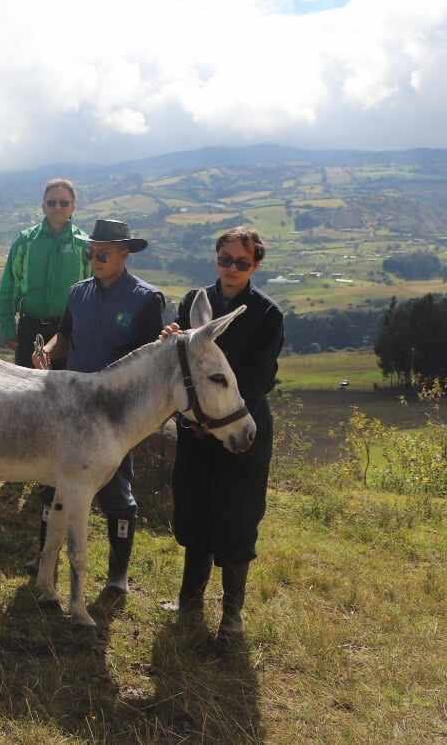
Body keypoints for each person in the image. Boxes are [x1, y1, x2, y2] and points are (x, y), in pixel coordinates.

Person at [32, 218, 165, 605]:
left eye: (104, 251)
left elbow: (148, 361)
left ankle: (118, 578)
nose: (96, 256)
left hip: (114, 415)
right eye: (92, 250)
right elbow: (65, 337)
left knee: (115, 491)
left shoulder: (146, 299)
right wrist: (48, 351)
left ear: (125, 254)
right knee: (51, 483)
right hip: (70, 405)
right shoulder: (78, 293)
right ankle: (45, 563)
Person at [163, 226, 284, 639]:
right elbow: (181, 362)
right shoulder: (194, 302)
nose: (232, 269)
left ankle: (232, 615)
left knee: (237, 517)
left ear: (256, 265)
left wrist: (218, 406)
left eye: (242, 263)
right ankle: (189, 604)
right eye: (225, 260)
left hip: (239, 430)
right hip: (198, 431)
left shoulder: (268, 315)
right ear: (215, 258)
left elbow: (258, 379)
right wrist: (172, 342)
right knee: (195, 515)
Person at [0, 178, 89, 367]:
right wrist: (7, 329)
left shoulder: (84, 245)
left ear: (73, 207)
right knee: (26, 392)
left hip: (68, 333)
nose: (58, 207)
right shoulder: (25, 241)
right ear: (43, 206)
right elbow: (9, 285)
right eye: (52, 202)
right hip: (29, 329)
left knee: (65, 392)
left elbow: (91, 292)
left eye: (64, 203)